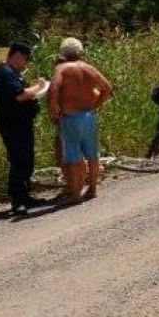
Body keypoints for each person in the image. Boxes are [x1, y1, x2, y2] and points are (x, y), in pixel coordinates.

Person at [48, 38, 113, 203]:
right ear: (80, 51)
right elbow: (107, 88)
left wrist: (53, 111)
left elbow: (53, 89)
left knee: (74, 155)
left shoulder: (61, 68)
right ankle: (92, 189)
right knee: (93, 155)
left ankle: (75, 194)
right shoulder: (88, 68)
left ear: (63, 52)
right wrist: (96, 105)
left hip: (70, 117)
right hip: (89, 116)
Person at [0, 42, 47, 215]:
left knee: (27, 160)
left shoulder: (15, 73)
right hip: (12, 124)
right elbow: (19, 95)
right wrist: (39, 87)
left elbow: (24, 93)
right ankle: (18, 202)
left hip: (22, 124)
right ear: (17, 55)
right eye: (26, 58)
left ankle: (26, 196)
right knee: (18, 161)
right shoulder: (5, 72)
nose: (27, 62)